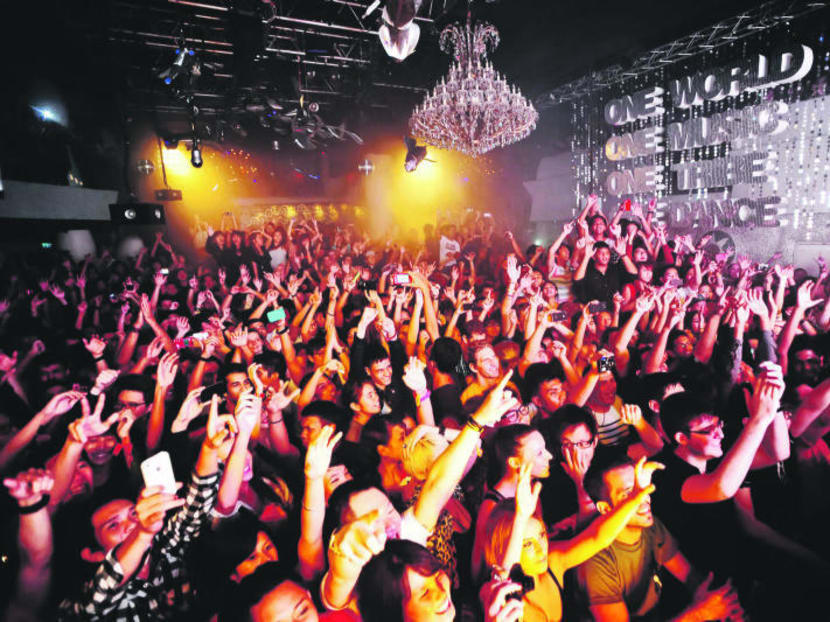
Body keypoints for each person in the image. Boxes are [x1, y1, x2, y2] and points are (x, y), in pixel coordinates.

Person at [577, 452, 745, 622]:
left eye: (642, 488)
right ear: (605, 509)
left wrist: (722, 603)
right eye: (629, 495)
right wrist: (700, 613)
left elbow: (690, 577)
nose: (643, 499)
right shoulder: (596, 562)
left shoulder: (650, 527)